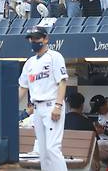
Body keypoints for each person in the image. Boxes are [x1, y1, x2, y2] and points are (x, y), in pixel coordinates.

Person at [18, 26, 68, 171]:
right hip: (37, 109)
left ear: (46, 39)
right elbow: (23, 87)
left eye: (37, 38)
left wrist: (58, 106)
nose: (34, 41)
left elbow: (62, 82)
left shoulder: (54, 56)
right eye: (31, 38)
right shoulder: (30, 62)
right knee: (43, 151)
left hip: (52, 104)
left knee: (53, 148)